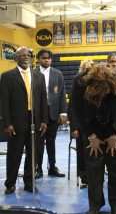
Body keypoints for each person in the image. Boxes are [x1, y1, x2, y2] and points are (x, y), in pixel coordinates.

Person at [71, 62, 116, 214]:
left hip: (114, 128)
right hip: (92, 129)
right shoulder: (80, 81)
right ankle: (95, 205)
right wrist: (91, 136)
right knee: (93, 170)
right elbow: (77, 111)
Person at [0, 47, 48, 194]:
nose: (25, 57)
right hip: (15, 122)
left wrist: (44, 120)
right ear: (16, 58)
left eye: (27, 55)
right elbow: (4, 102)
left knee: (32, 154)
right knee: (14, 153)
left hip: (34, 120)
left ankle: (29, 182)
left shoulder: (38, 76)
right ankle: (10, 183)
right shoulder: (7, 76)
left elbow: (43, 100)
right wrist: (7, 123)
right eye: (22, 55)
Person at [35, 49, 67, 178]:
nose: (46, 60)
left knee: (51, 141)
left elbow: (62, 94)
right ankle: (38, 169)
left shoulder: (58, 74)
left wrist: (63, 112)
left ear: (51, 60)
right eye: (43, 58)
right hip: (38, 113)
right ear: (38, 59)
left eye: (48, 58)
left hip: (53, 112)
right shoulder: (33, 73)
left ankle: (52, 167)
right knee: (39, 141)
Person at [67, 58, 94, 189]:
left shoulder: (96, 83)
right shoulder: (76, 84)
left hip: (95, 125)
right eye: (88, 68)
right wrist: (74, 127)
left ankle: (95, 177)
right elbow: (71, 108)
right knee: (82, 153)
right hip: (80, 126)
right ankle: (84, 178)